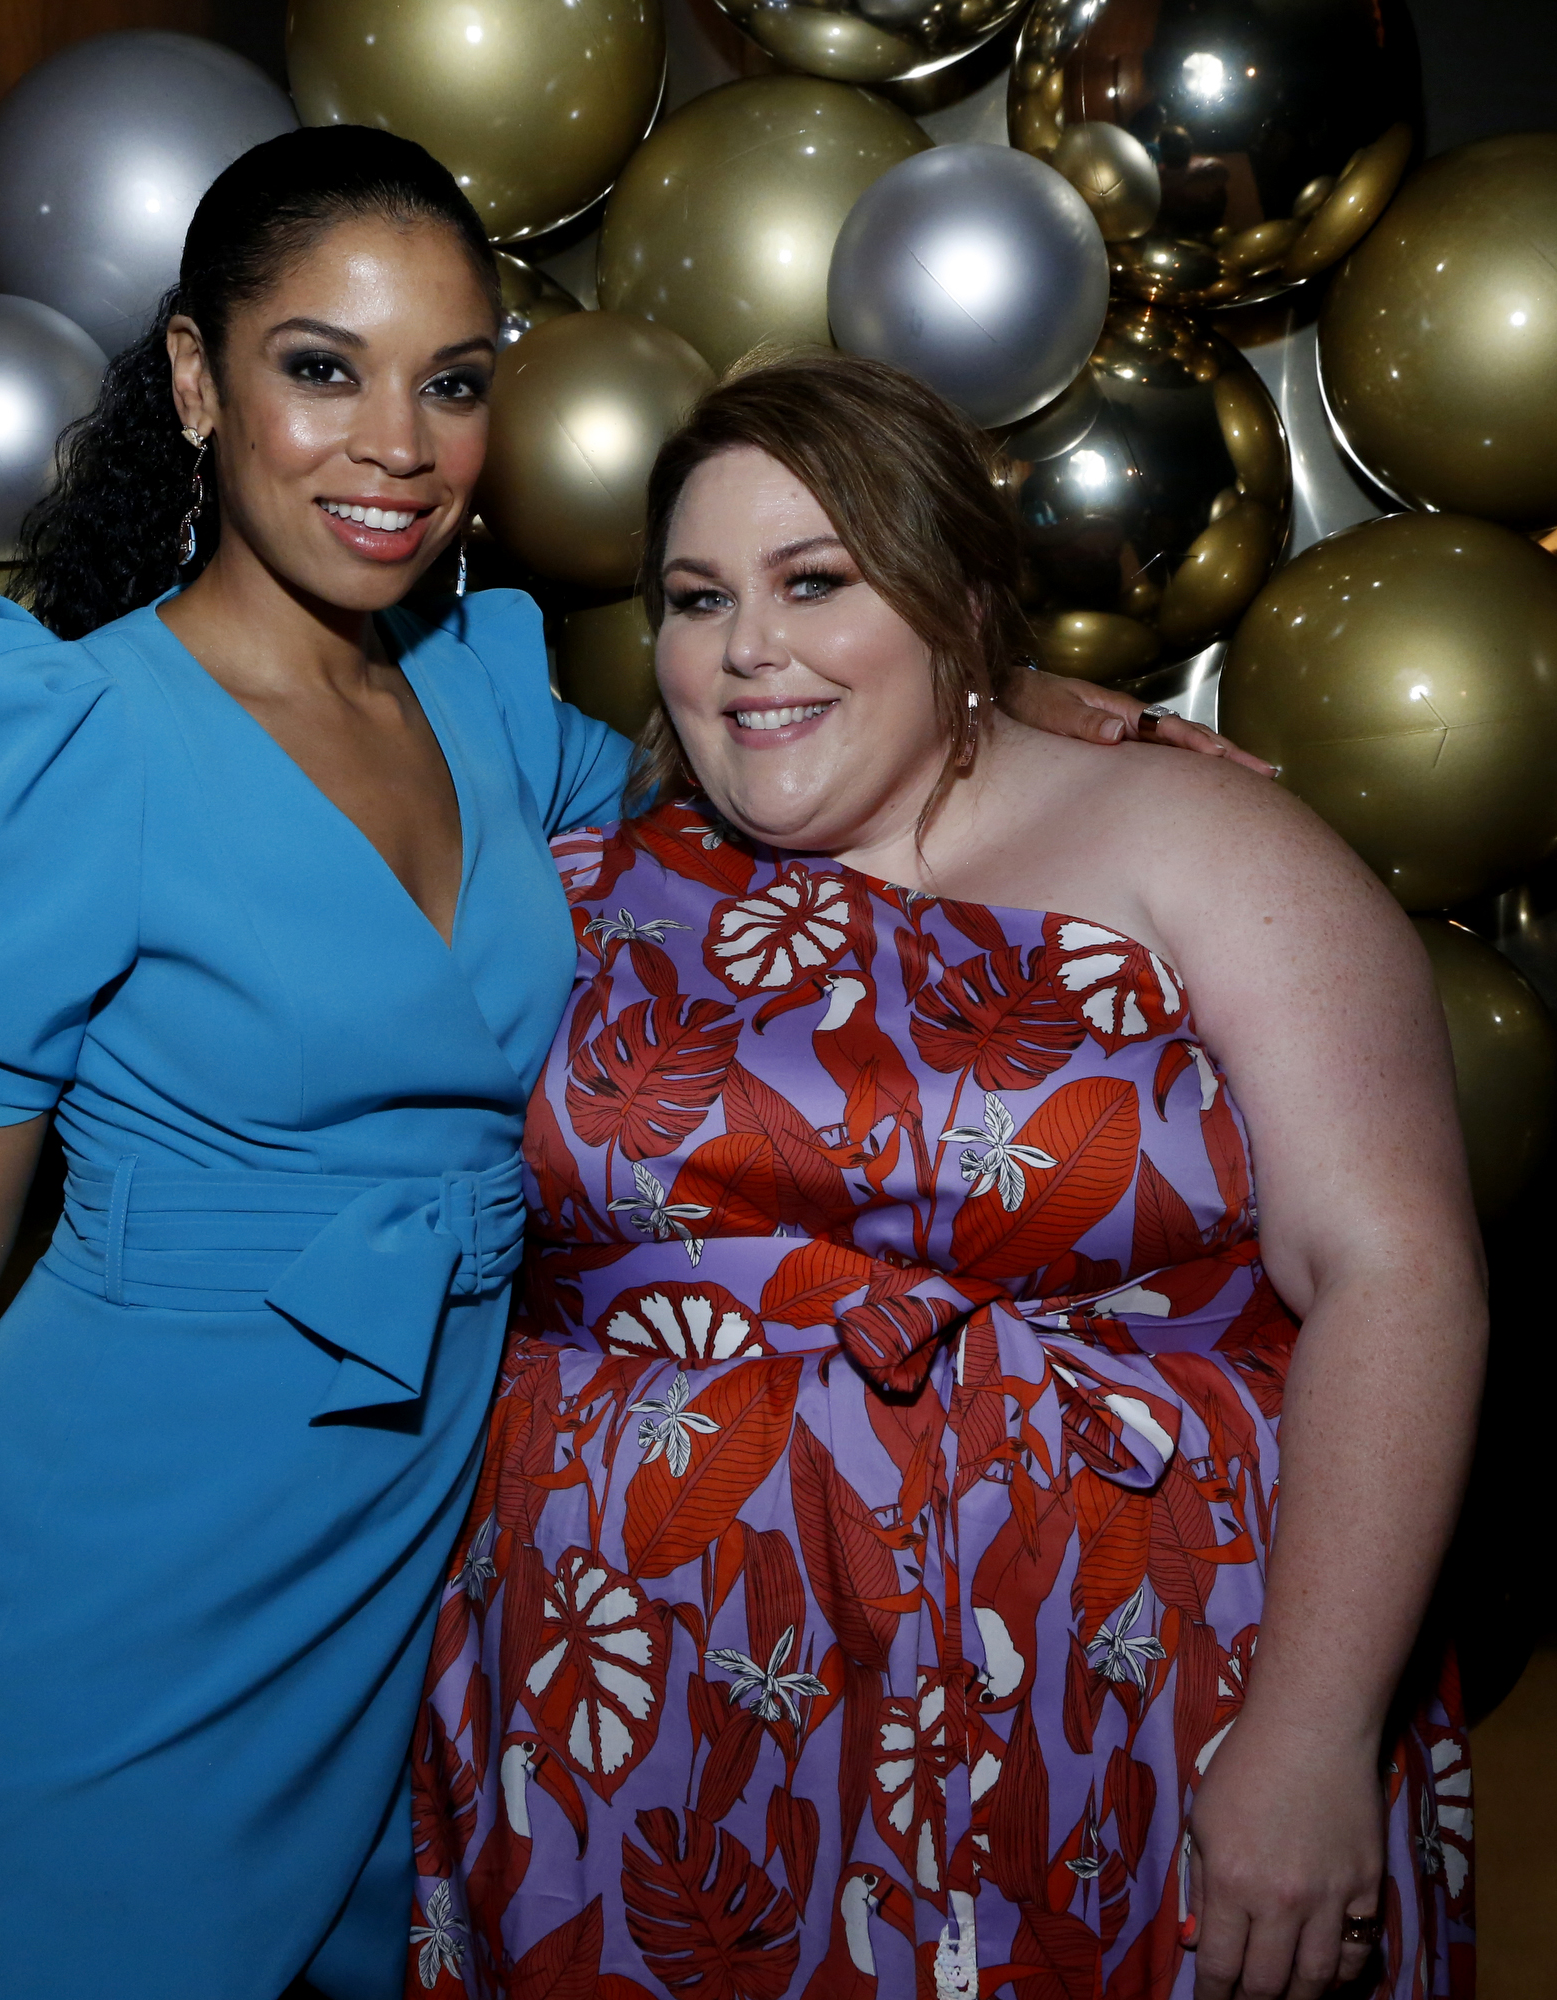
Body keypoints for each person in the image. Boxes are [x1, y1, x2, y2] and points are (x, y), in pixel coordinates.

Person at [0, 130, 1238, 2000]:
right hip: (113, 1570)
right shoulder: (64, 733)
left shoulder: (480, 689)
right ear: (200, 383)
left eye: (451, 383)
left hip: (427, 1565)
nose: (397, 443)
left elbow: (749, 736)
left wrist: (1005, 688)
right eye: (322, 367)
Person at [407, 356, 1485, 2000]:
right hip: (646, 1725)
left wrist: (1317, 1733)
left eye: (817, 581)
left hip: (1111, 1696)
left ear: (955, 595)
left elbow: (1395, 1275)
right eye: (699, 599)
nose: (748, 647)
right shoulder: (597, 868)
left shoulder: (1203, 849)